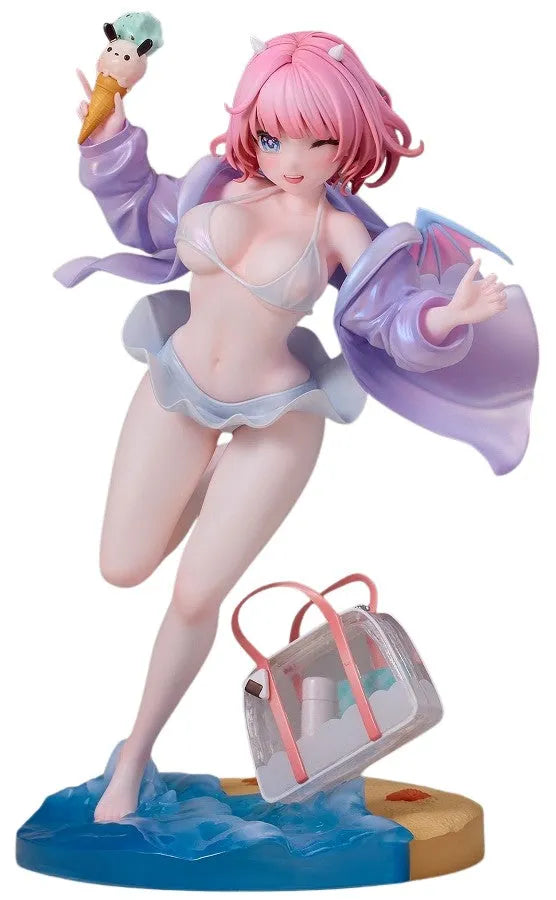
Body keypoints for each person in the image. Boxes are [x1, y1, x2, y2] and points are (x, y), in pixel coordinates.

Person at [55, 31, 536, 822]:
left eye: (318, 141)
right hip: (176, 386)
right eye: (275, 135)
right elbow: (141, 213)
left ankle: (132, 759)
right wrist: (111, 136)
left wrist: (447, 316)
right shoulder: (217, 185)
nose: (293, 159)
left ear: (348, 140)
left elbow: (391, 318)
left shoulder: (339, 231)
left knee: (194, 595)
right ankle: (212, 482)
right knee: (121, 567)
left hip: (278, 418)